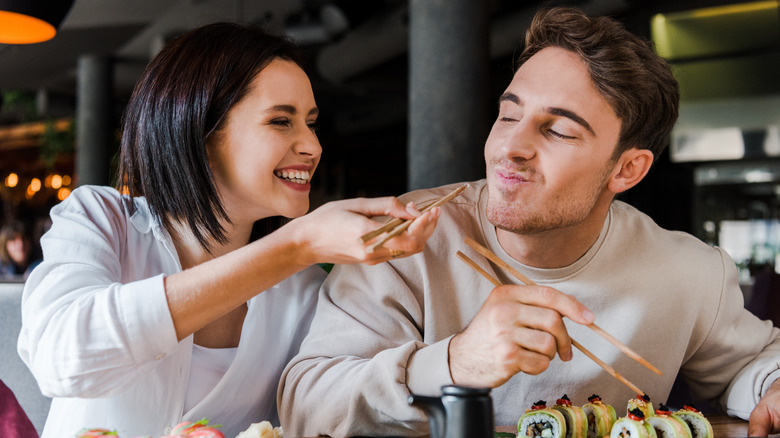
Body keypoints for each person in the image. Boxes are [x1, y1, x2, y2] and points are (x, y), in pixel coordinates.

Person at [278, 6, 780, 437]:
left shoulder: (687, 272)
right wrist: (455, 363)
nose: (509, 149)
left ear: (628, 169)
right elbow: (305, 406)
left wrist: (772, 387)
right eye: (508, 115)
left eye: (558, 130)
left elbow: (752, 367)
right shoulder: (406, 235)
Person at [17, 22, 440, 438]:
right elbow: (62, 357)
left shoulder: (306, 293)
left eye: (311, 122)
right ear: (200, 132)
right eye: (281, 121)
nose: (312, 145)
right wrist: (298, 244)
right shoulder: (103, 219)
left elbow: (338, 411)